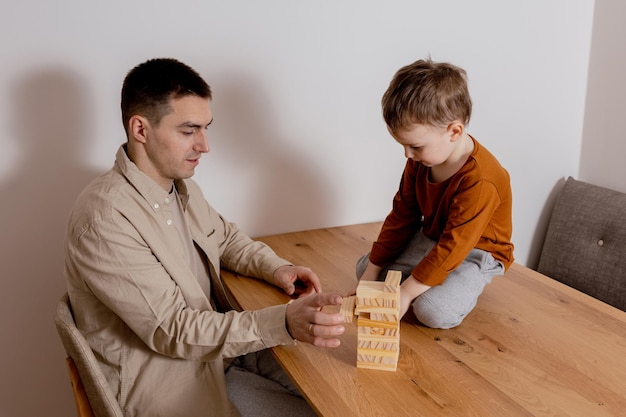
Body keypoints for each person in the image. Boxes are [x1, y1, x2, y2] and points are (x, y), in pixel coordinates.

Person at [64, 58, 345, 417]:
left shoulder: (178, 187)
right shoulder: (105, 219)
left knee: (339, 387)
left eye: (205, 128)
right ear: (140, 129)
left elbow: (225, 239)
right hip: (174, 387)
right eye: (188, 130)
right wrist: (284, 321)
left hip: (221, 355)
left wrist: (277, 268)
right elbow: (173, 329)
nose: (205, 145)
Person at [356, 57, 514, 329]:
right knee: (365, 269)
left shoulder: (481, 180)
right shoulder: (420, 161)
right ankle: (427, 279)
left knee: (432, 311)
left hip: (477, 250)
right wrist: (368, 277)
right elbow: (402, 216)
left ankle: (458, 282)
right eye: (404, 146)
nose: (407, 154)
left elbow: (455, 246)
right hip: (434, 236)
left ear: (454, 131)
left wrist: (405, 293)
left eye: (415, 146)